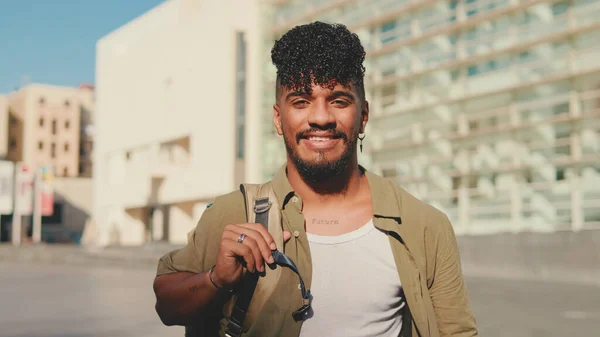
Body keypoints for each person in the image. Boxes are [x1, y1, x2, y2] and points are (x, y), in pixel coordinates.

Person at [153, 21, 478, 337]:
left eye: (338, 100)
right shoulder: (233, 213)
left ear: (363, 116)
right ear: (279, 119)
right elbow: (166, 305)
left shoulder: (424, 226)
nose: (321, 118)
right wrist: (217, 279)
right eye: (301, 101)